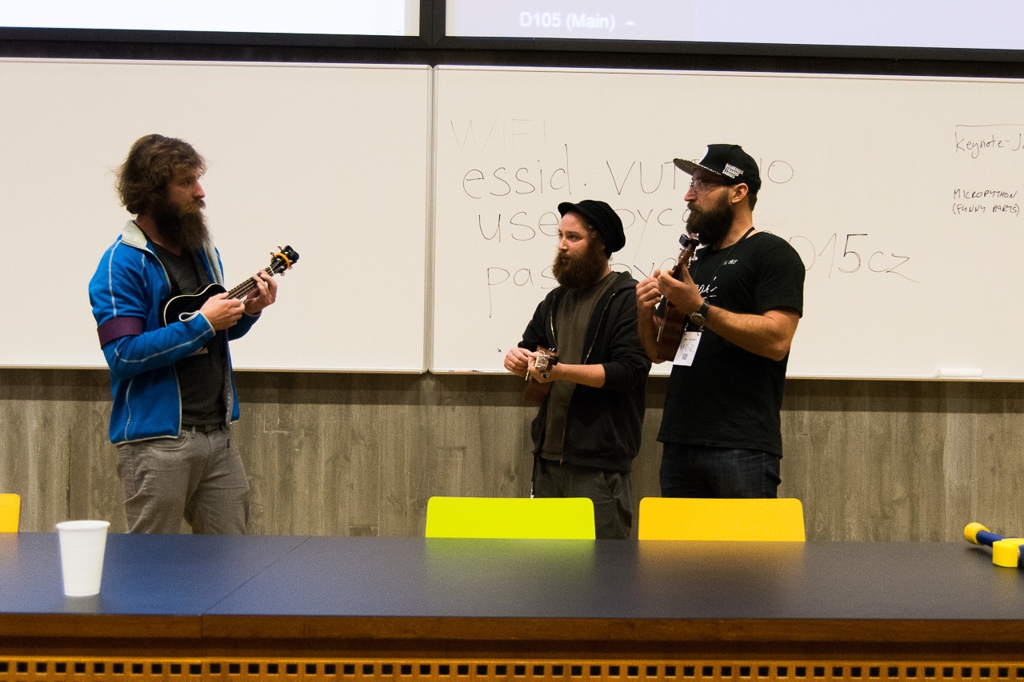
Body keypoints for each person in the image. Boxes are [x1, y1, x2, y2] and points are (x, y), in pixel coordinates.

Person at [88, 134, 278, 534]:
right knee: (152, 571)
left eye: (198, 179)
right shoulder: (120, 265)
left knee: (230, 565)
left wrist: (248, 313)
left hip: (217, 436)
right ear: (154, 191)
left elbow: (211, 333)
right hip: (157, 445)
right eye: (187, 182)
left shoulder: (202, 250)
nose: (200, 191)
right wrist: (203, 323)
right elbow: (122, 355)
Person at [636, 144, 805, 499]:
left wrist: (699, 307)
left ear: (738, 192)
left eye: (701, 184)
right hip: (680, 440)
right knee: (679, 555)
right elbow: (659, 352)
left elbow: (777, 341)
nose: (688, 195)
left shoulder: (772, 254)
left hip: (740, 444)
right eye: (690, 184)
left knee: (745, 556)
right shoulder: (694, 262)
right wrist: (643, 310)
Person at [504, 200, 651, 539]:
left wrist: (561, 372)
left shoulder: (627, 298)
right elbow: (530, 347)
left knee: (604, 577)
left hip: (599, 466)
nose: (562, 246)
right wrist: (518, 360)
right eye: (559, 236)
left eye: (573, 237)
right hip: (548, 459)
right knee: (551, 574)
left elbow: (628, 372)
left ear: (600, 243)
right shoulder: (555, 300)